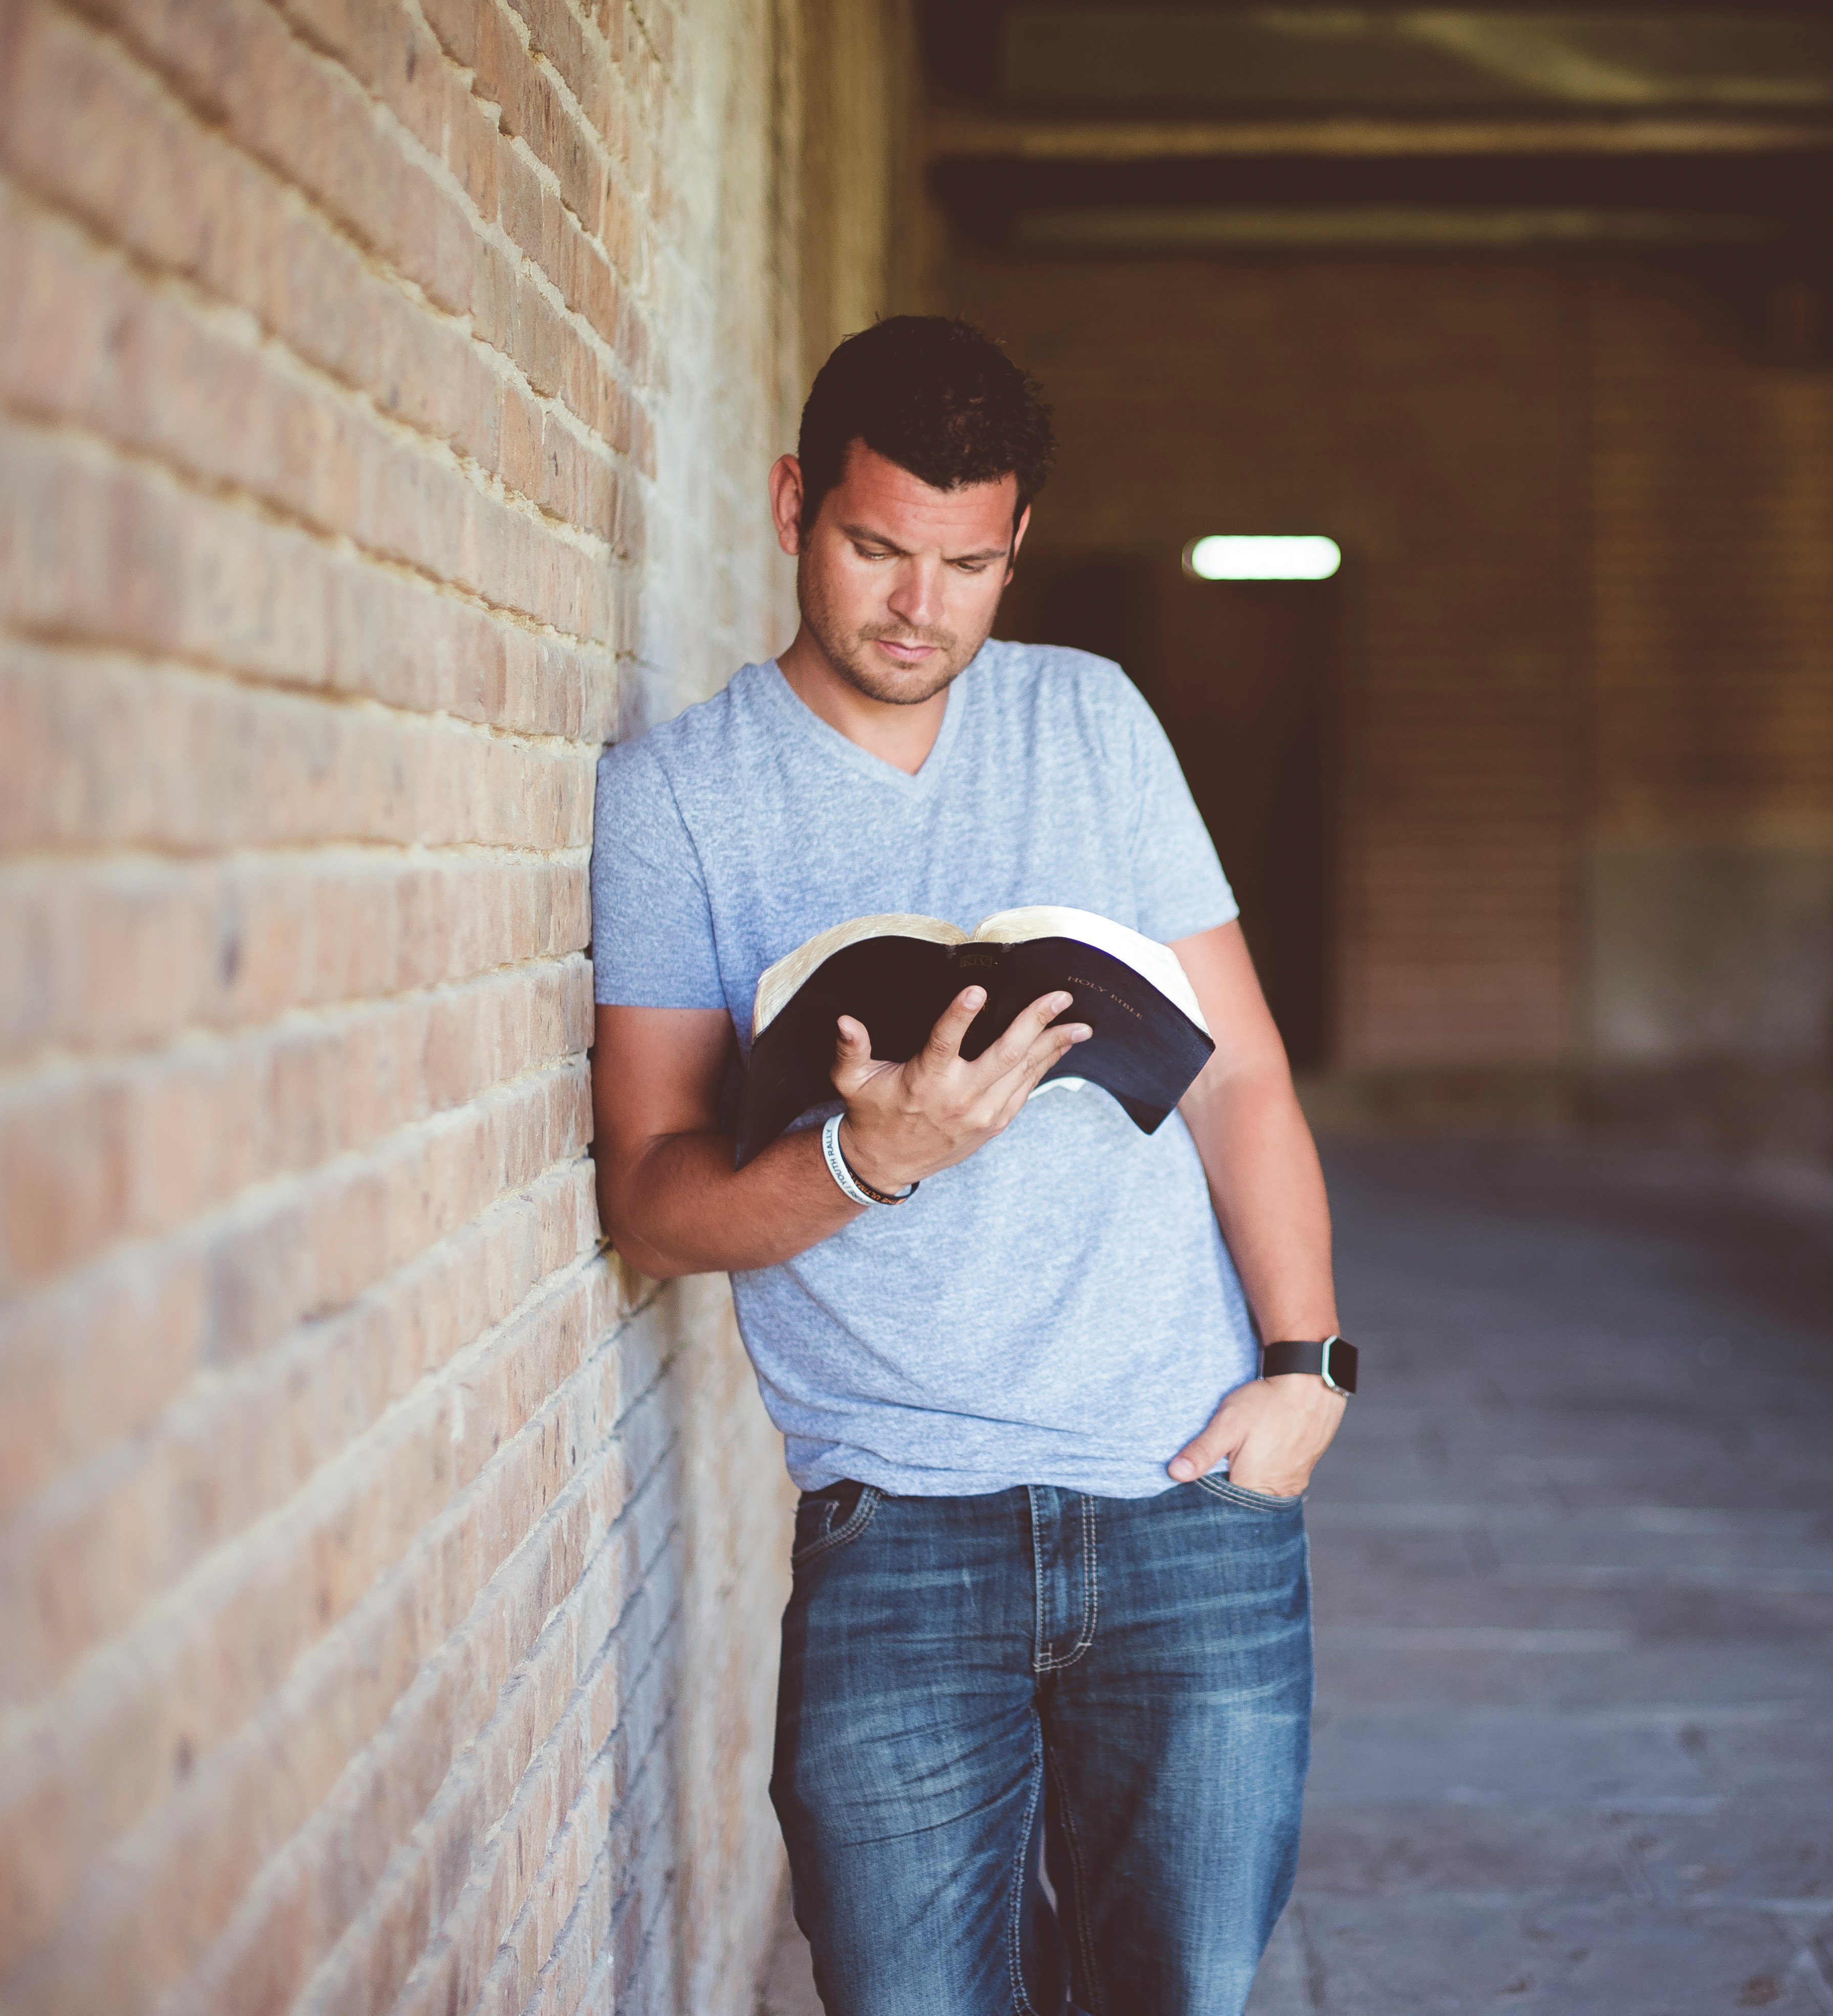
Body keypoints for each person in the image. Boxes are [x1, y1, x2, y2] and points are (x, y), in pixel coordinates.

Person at [587, 317, 1350, 2016]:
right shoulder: (678, 802)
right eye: (874, 550)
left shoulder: (1090, 719)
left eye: (967, 565)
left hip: (1187, 1500)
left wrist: (1306, 1369)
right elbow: (648, 1193)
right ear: (794, 504)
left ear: (1015, 551)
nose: (917, 608)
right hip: (897, 1528)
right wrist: (868, 1166)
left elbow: (1240, 1081)